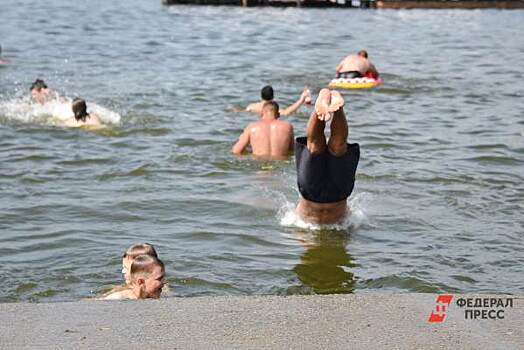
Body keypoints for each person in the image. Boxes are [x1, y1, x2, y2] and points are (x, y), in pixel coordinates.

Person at [295, 88, 360, 225]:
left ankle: (323, 102)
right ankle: (337, 109)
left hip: (309, 213)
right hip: (338, 205)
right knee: (338, 147)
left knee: (315, 147)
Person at [101, 255, 166, 300]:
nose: (164, 282)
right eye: (159, 279)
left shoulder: (161, 294)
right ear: (141, 282)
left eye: (163, 277)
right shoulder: (118, 298)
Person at [245, 85, 311, 116]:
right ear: (273, 96)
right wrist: (301, 100)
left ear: (261, 96)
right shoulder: (273, 109)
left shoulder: (251, 107)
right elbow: (286, 112)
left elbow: (243, 111)